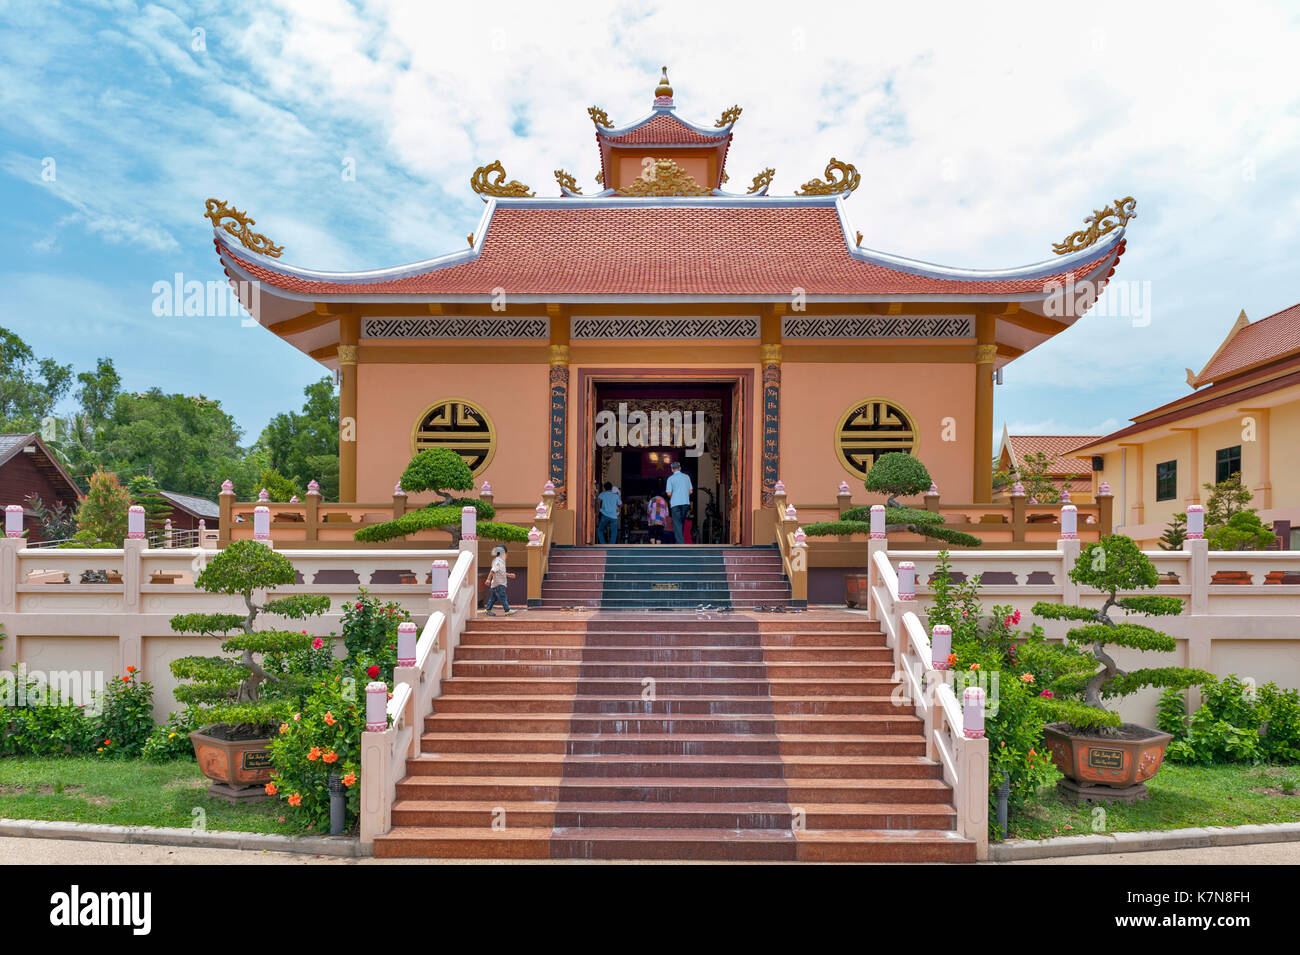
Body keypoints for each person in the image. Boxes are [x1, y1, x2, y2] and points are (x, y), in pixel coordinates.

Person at [481, 545, 517, 616]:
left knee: (493, 598)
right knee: (503, 597)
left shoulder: (499, 561)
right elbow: (492, 571)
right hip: (499, 584)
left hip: (495, 584)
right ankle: (507, 610)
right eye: (506, 554)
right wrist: (488, 579)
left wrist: (509, 575)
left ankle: (487, 610)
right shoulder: (498, 562)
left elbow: (501, 572)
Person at [665, 460, 692, 546]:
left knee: (677, 524)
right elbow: (690, 491)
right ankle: (680, 541)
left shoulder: (670, 479)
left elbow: (669, 493)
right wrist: (684, 494)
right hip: (685, 503)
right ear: (680, 468)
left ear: (672, 469)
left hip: (675, 504)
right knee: (681, 522)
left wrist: (675, 494)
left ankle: (681, 544)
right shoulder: (687, 477)